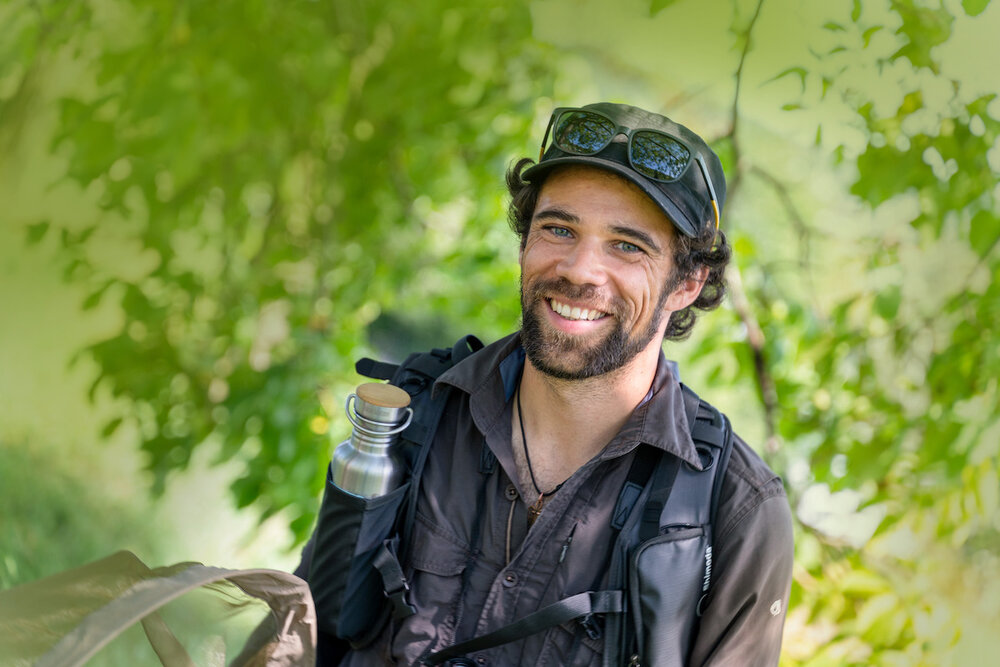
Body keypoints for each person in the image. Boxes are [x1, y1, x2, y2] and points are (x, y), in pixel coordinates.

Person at [299, 102, 794, 666]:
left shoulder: (737, 514)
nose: (580, 270)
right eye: (558, 229)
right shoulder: (421, 415)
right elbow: (303, 634)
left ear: (688, 282)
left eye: (627, 246)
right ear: (524, 241)